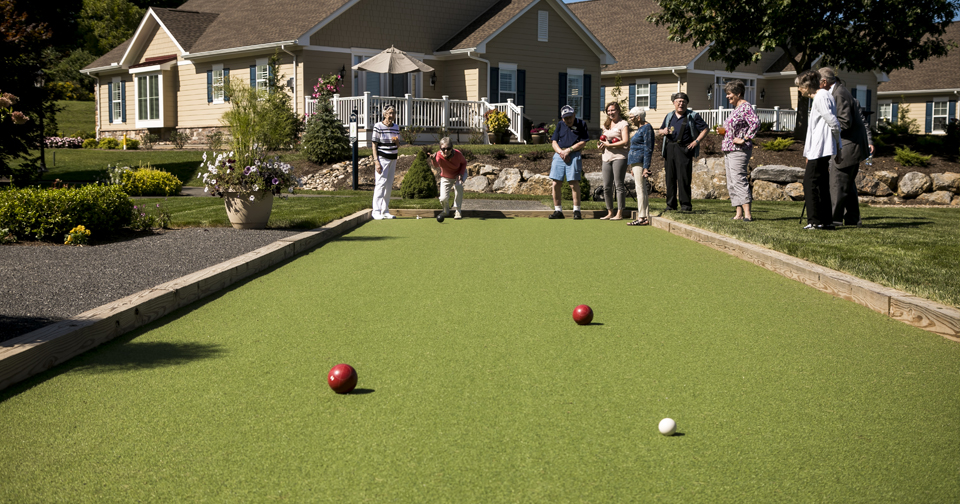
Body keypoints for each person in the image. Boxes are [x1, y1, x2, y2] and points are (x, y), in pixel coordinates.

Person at [819, 67, 870, 227]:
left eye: (817, 82)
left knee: (838, 183)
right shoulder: (840, 92)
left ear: (824, 82)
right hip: (852, 145)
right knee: (847, 185)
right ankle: (853, 219)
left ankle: (833, 220)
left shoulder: (839, 94)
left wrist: (823, 127)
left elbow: (845, 122)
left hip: (849, 147)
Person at [796, 70, 841, 230]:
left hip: (820, 149)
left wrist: (839, 146)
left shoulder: (821, 96)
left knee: (810, 183)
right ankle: (826, 221)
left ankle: (815, 221)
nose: (799, 89)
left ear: (807, 85)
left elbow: (833, 122)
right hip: (819, 149)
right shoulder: (822, 96)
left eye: (800, 86)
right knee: (821, 184)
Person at [658, 92, 708, 212]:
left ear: (687, 103)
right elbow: (660, 130)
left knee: (684, 178)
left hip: (684, 149)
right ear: (674, 103)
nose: (681, 104)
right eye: (678, 101)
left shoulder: (693, 116)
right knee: (670, 178)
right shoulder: (669, 116)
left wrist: (696, 141)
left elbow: (705, 129)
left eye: (683, 102)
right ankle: (670, 205)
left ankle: (685, 206)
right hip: (670, 148)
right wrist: (663, 131)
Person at [721, 80, 760, 222]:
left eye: (729, 94)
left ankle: (748, 214)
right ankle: (738, 213)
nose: (727, 96)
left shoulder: (745, 107)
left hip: (739, 150)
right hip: (729, 149)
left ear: (738, 94)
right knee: (731, 182)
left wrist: (745, 138)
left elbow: (755, 123)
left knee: (739, 180)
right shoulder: (736, 109)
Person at [549, 104, 590, 219]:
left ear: (574, 115)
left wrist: (569, 150)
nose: (568, 120)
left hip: (574, 154)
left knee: (573, 183)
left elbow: (583, 142)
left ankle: (576, 211)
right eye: (566, 118)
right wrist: (561, 152)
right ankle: (558, 211)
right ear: (562, 118)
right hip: (559, 155)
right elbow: (554, 141)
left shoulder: (581, 124)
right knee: (556, 183)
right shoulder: (560, 124)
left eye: (570, 117)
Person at [598, 102, 630, 220]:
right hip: (606, 157)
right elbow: (604, 140)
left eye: (613, 110)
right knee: (606, 186)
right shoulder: (605, 125)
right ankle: (610, 212)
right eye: (608, 111)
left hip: (619, 157)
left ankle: (619, 213)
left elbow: (625, 141)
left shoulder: (623, 124)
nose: (610, 113)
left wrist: (610, 145)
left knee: (618, 185)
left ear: (618, 111)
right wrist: (601, 145)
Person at [626, 106, 654, 226]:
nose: (630, 119)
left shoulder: (647, 128)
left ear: (638, 117)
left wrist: (646, 167)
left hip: (641, 162)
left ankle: (642, 217)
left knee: (640, 188)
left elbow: (648, 149)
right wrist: (632, 166)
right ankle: (644, 216)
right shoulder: (640, 128)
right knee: (640, 188)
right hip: (635, 163)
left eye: (632, 117)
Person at [427, 137, 467, 219]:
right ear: (440, 148)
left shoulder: (458, 154)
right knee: (442, 198)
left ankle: (458, 211)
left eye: (448, 148)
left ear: (452, 148)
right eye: (443, 149)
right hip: (446, 177)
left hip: (458, 175)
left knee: (458, 186)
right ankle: (446, 211)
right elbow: (436, 166)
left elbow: (464, 163)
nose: (446, 151)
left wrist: (460, 174)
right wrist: (433, 160)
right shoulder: (438, 155)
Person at [371, 105, 400, 220]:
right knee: (381, 183)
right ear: (384, 114)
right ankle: (376, 211)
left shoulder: (396, 127)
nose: (391, 115)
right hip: (382, 159)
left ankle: (385, 210)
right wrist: (376, 161)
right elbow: (374, 144)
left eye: (393, 113)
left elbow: (398, 145)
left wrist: (397, 141)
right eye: (389, 113)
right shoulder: (378, 126)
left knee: (389, 185)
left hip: (393, 158)